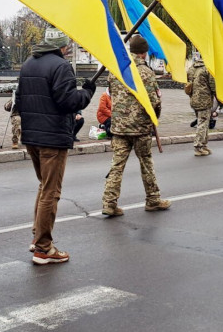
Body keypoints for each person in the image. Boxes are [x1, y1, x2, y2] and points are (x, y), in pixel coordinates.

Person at [17, 27, 95, 264]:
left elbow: (19, 99)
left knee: (44, 187)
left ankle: (37, 237)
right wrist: (87, 92)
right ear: (62, 47)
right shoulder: (61, 66)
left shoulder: (29, 63)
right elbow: (68, 102)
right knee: (51, 191)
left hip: (31, 135)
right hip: (52, 138)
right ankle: (43, 248)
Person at [101, 35, 169, 217]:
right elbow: (155, 101)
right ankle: (153, 199)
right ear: (144, 53)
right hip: (140, 128)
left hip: (119, 127)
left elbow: (111, 94)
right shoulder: (147, 73)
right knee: (146, 163)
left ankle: (109, 203)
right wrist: (155, 119)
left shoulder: (117, 69)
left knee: (117, 165)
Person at [187, 53, 217, 156]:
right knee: (203, 123)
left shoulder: (192, 68)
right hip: (204, 100)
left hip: (194, 100)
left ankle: (204, 145)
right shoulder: (208, 69)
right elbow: (213, 86)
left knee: (203, 122)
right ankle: (198, 146)